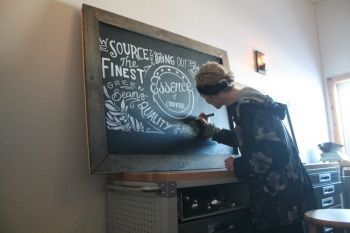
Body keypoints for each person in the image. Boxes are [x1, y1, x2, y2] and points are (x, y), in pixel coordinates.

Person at [195, 61, 316, 233]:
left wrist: (237, 164)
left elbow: (274, 152)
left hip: (280, 199)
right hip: (286, 194)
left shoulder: (249, 108)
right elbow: (248, 139)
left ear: (212, 91)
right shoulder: (248, 103)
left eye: (205, 96)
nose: (205, 100)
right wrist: (211, 130)